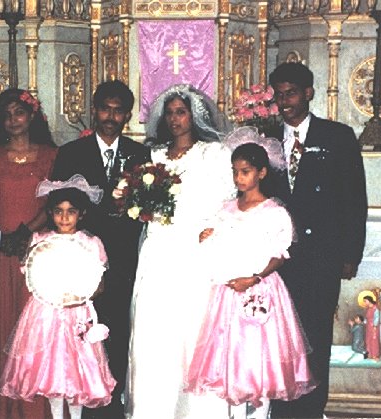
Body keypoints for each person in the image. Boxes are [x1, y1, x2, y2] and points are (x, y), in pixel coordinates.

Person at [186, 135, 317, 419]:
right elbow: (216, 244)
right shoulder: (225, 209)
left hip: (260, 291)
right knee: (231, 359)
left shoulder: (274, 211)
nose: (238, 178)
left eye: (245, 172)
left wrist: (255, 277)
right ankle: (232, 413)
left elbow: (279, 254)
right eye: (235, 171)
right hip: (229, 293)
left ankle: (260, 414)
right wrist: (206, 237)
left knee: (259, 361)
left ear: (261, 172)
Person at [126, 84, 236, 419]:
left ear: (194, 115)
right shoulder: (154, 157)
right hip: (159, 249)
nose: (175, 119)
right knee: (155, 332)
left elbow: (228, 201)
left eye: (181, 111)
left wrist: (214, 230)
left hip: (196, 252)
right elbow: (140, 203)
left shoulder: (214, 153)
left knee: (194, 328)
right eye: (170, 112)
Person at [268, 62, 368, 419]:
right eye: (279, 95)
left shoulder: (337, 136)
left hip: (322, 253)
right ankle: (281, 405)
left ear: (309, 93)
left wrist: (350, 253)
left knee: (316, 331)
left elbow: (355, 198)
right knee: (280, 333)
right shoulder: (265, 138)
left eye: (291, 93)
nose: (285, 102)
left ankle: (312, 408)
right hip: (279, 256)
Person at [51, 80, 150, 419]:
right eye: (105, 108)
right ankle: (82, 404)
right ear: (95, 110)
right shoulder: (70, 153)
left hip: (123, 258)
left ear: (127, 115)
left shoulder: (139, 155)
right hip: (81, 257)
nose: (111, 116)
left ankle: (112, 403)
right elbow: (59, 207)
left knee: (118, 329)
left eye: (118, 110)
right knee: (81, 330)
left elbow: (146, 207)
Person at [0, 88, 58, 418]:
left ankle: (38, 410)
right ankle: (6, 410)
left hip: (37, 252)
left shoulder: (50, 154)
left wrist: (27, 232)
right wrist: (0, 236)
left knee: (37, 331)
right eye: (6, 114)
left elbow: (55, 203)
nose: (12, 120)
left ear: (32, 115)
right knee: (4, 330)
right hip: (1, 254)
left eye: (19, 112)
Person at [0, 175, 115, 419]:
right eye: (58, 211)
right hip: (45, 315)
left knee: (76, 372)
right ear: (50, 213)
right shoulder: (40, 240)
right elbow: (34, 276)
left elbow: (99, 283)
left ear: (81, 214)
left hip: (77, 314)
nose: (64, 217)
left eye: (71, 212)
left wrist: (80, 294)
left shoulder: (91, 243)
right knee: (51, 370)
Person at [362, 295, 381, 360]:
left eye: (365, 301)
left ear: (369, 301)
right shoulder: (368, 309)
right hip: (368, 327)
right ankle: (369, 354)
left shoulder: (375, 308)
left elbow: (377, 318)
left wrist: (375, 326)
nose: (364, 303)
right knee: (368, 340)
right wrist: (363, 322)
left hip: (373, 327)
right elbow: (367, 318)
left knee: (374, 340)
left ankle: (375, 355)